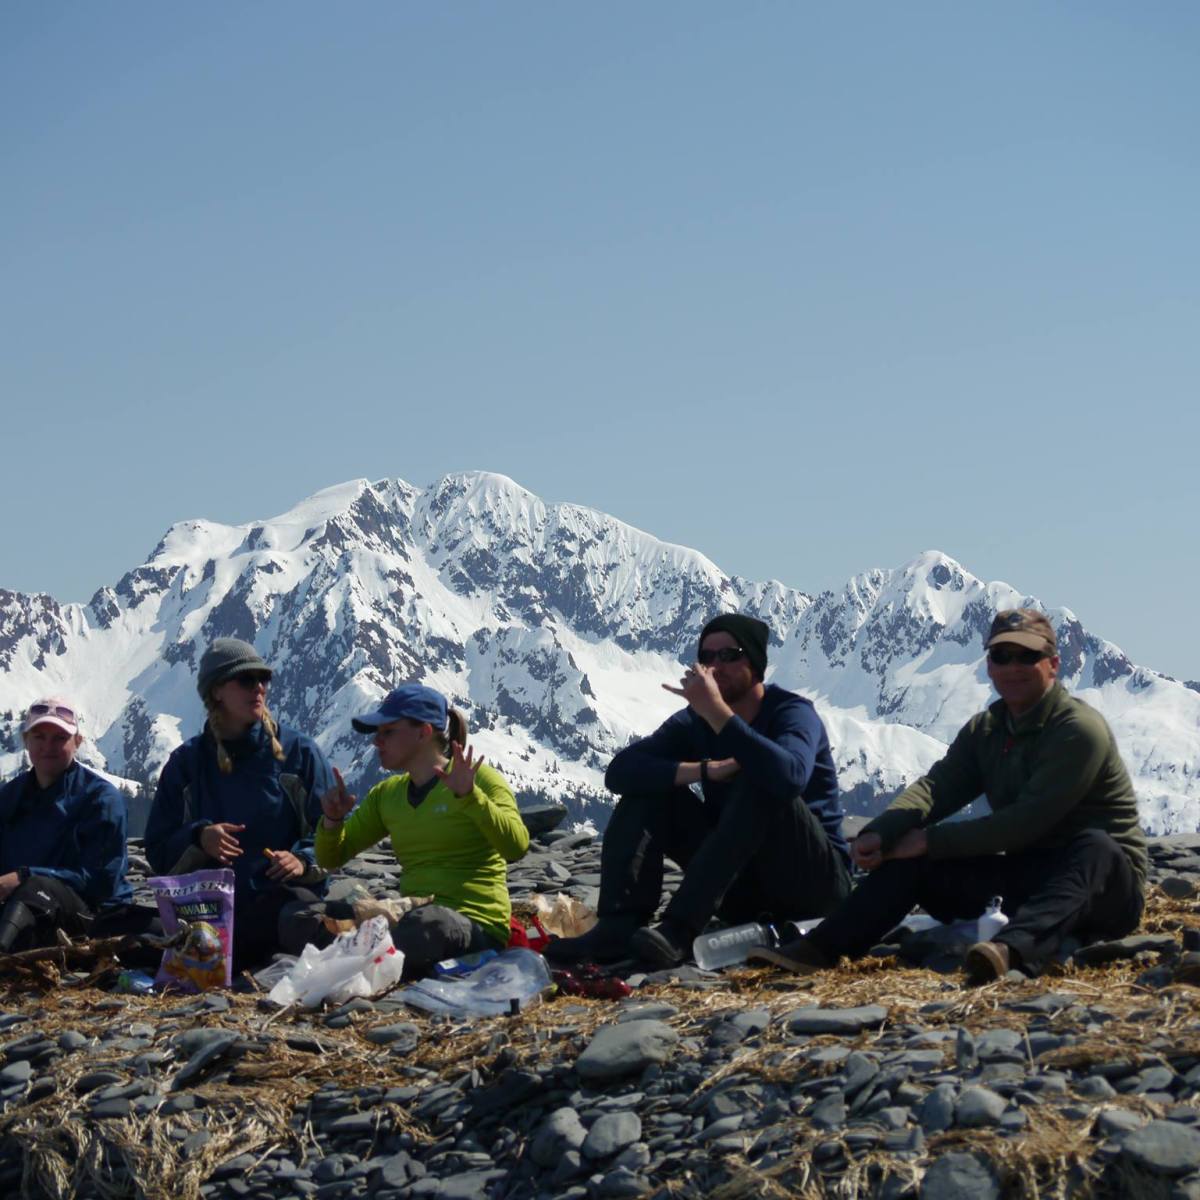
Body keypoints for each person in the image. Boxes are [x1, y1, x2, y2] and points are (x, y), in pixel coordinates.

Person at [752, 609, 1148, 983]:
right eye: (1002, 656)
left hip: (1106, 888)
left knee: (1095, 846)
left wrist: (929, 840)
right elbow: (937, 788)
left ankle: (1008, 951)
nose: (1013, 667)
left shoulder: (1077, 730)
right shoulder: (987, 730)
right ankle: (820, 949)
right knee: (914, 863)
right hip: (1031, 875)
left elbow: (1025, 823)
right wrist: (883, 832)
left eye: (1027, 657)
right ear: (989, 665)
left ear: (1054, 664)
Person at [547, 613, 852, 969]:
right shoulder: (695, 721)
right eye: (706, 657)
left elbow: (789, 777)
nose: (715, 666)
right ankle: (619, 925)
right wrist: (705, 769)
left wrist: (719, 715)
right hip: (740, 887)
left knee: (762, 780)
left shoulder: (792, 712)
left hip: (815, 888)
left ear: (755, 664)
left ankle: (680, 928)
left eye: (729, 655)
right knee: (651, 788)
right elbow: (621, 772)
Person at [145, 637, 334, 970]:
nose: (259, 688)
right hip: (210, 911)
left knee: (304, 920)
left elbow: (331, 836)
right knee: (135, 930)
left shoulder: (299, 753)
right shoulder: (186, 764)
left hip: (280, 903)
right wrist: (198, 838)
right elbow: (159, 852)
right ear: (217, 691)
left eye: (264, 679)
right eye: (246, 679)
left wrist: (302, 860)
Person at [316, 684, 529, 977]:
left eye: (388, 731)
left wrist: (470, 797)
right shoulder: (388, 794)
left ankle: (354, 958)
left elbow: (516, 847)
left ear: (423, 732)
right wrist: (332, 820)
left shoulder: (479, 779)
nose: (376, 741)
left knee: (430, 923)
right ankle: (370, 956)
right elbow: (331, 858)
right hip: (411, 914)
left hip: (475, 926)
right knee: (312, 915)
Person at [0, 697, 141, 953]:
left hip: (93, 916)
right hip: (25, 909)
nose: (48, 746)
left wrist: (24, 876)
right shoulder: (10, 797)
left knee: (34, 888)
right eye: (39, 737)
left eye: (59, 738)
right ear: (26, 741)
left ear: (77, 742)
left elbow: (101, 882)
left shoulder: (101, 799)